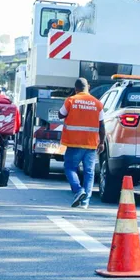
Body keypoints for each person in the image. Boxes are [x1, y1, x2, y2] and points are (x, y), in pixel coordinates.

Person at [58, 78, 105, 209]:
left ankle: (79, 190)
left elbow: (60, 115)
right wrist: (101, 142)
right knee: (89, 172)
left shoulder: (71, 100)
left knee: (70, 168)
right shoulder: (97, 103)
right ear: (88, 87)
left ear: (75, 88)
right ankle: (85, 202)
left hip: (74, 142)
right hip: (91, 144)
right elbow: (102, 125)